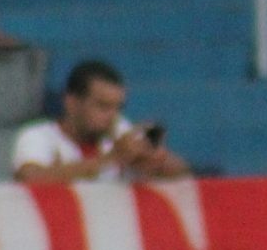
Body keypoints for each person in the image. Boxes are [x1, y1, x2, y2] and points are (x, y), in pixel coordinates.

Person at [12, 57, 190, 181]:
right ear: (71, 102)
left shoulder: (120, 129)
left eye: (118, 107)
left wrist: (156, 157)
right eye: (103, 106)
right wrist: (112, 158)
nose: (112, 115)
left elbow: (182, 174)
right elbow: (29, 179)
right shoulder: (38, 135)